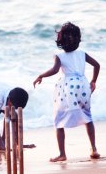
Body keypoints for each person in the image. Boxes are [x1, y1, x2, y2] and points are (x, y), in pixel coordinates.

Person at [33, 22, 100, 162]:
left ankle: (62, 153)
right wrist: (93, 81)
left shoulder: (58, 55)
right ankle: (94, 148)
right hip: (82, 86)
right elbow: (97, 65)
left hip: (68, 88)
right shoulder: (82, 53)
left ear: (60, 39)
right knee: (88, 117)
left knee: (58, 120)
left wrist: (41, 75)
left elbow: (55, 70)